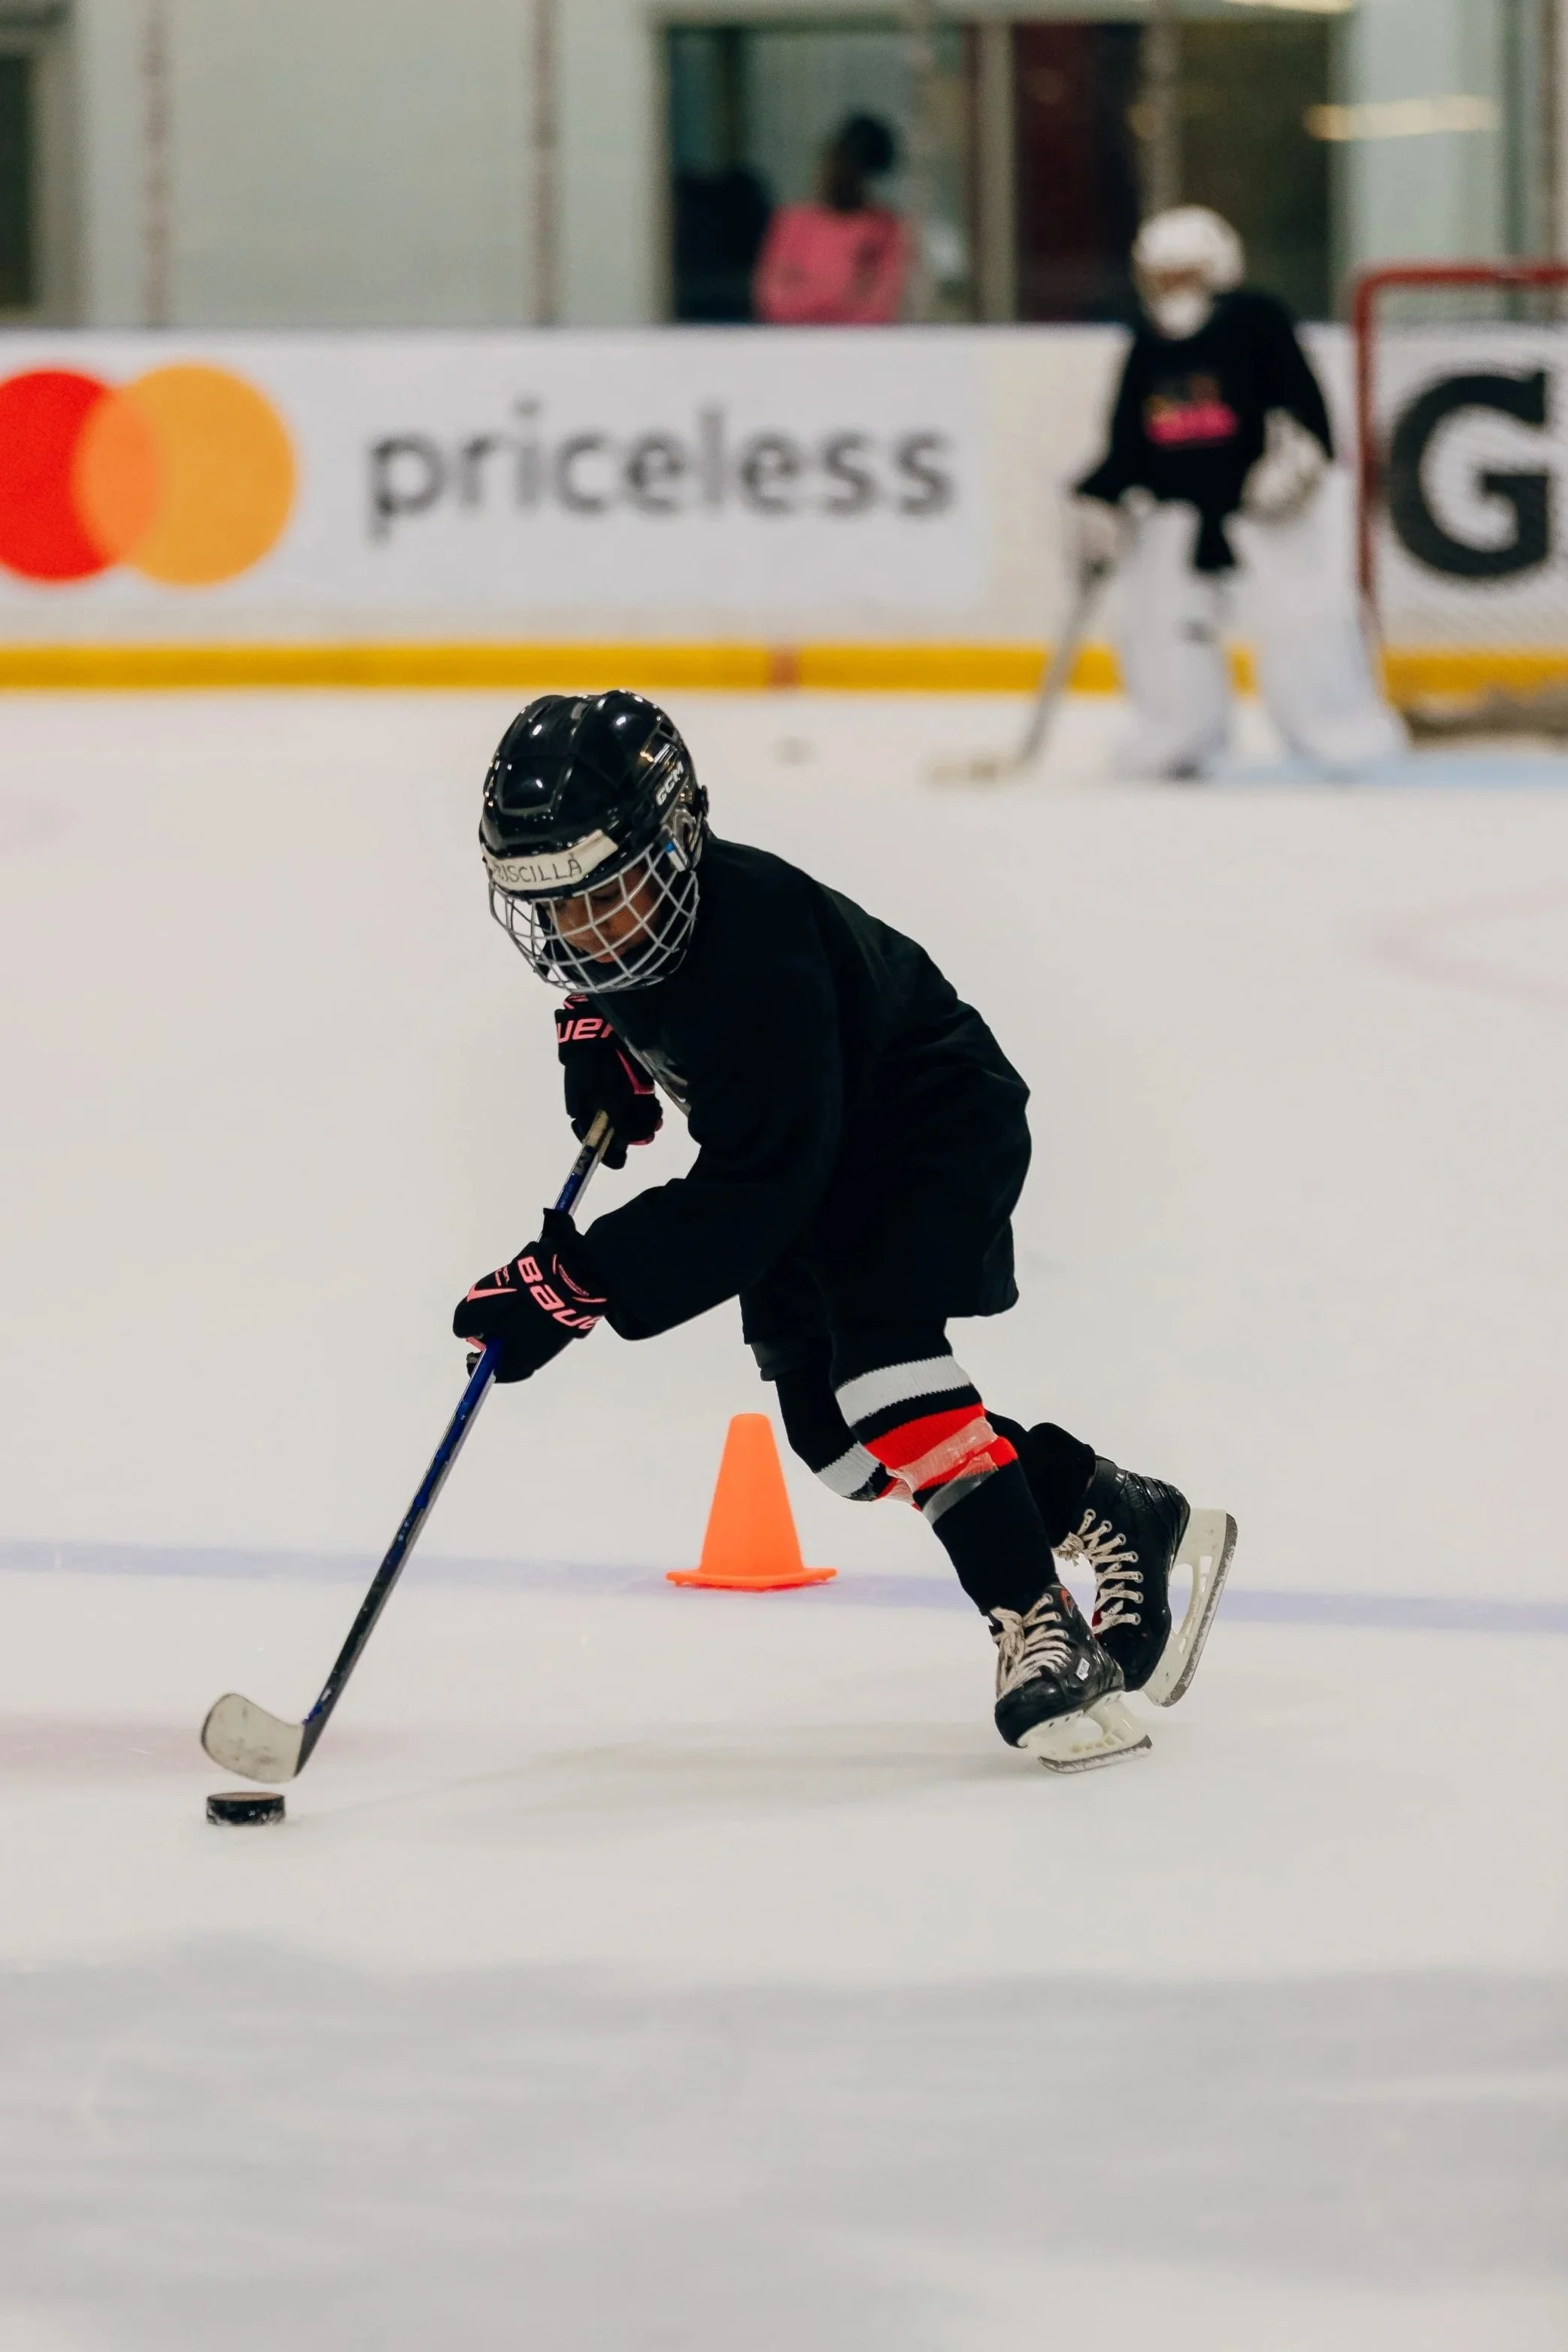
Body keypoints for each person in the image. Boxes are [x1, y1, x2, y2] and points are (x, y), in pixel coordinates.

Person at [451, 692, 1236, 1773]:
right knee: (838, 1444)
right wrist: (598, 1034)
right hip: (816, 1154)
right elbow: (641, 1002)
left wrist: (573, 1280)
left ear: (675, 843)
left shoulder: (755, 952)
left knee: (884, 1370)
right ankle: (1112, 1503)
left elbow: (753, 1197)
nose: (581, 932)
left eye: (606, 896)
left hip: (925, 1124)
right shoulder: (636, 935)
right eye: (554, 908)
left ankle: (1035, 1620)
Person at [1070, 205, 1404, 779]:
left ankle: (1341, 734)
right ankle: (1173, 737)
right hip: (1178, 515)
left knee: (1303, 622)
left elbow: (1303, 405)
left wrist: (1297, 459)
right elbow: (1128, 440)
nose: (1172, 289)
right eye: (1161, 276)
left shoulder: (1257, 320)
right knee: (1161, 625)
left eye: (1186, 274)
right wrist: (1099, 497)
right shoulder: (1147, 345)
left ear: (1219, 269)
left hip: (1264, 512)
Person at [753, 113, 908, 326]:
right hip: (795, 348)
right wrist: (844, 293)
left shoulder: (883, 228)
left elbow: (880, 308)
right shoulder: (794, 223)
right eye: (835, 162)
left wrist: (808, 290)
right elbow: (773, 301)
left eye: (851, 167)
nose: (838, 173)